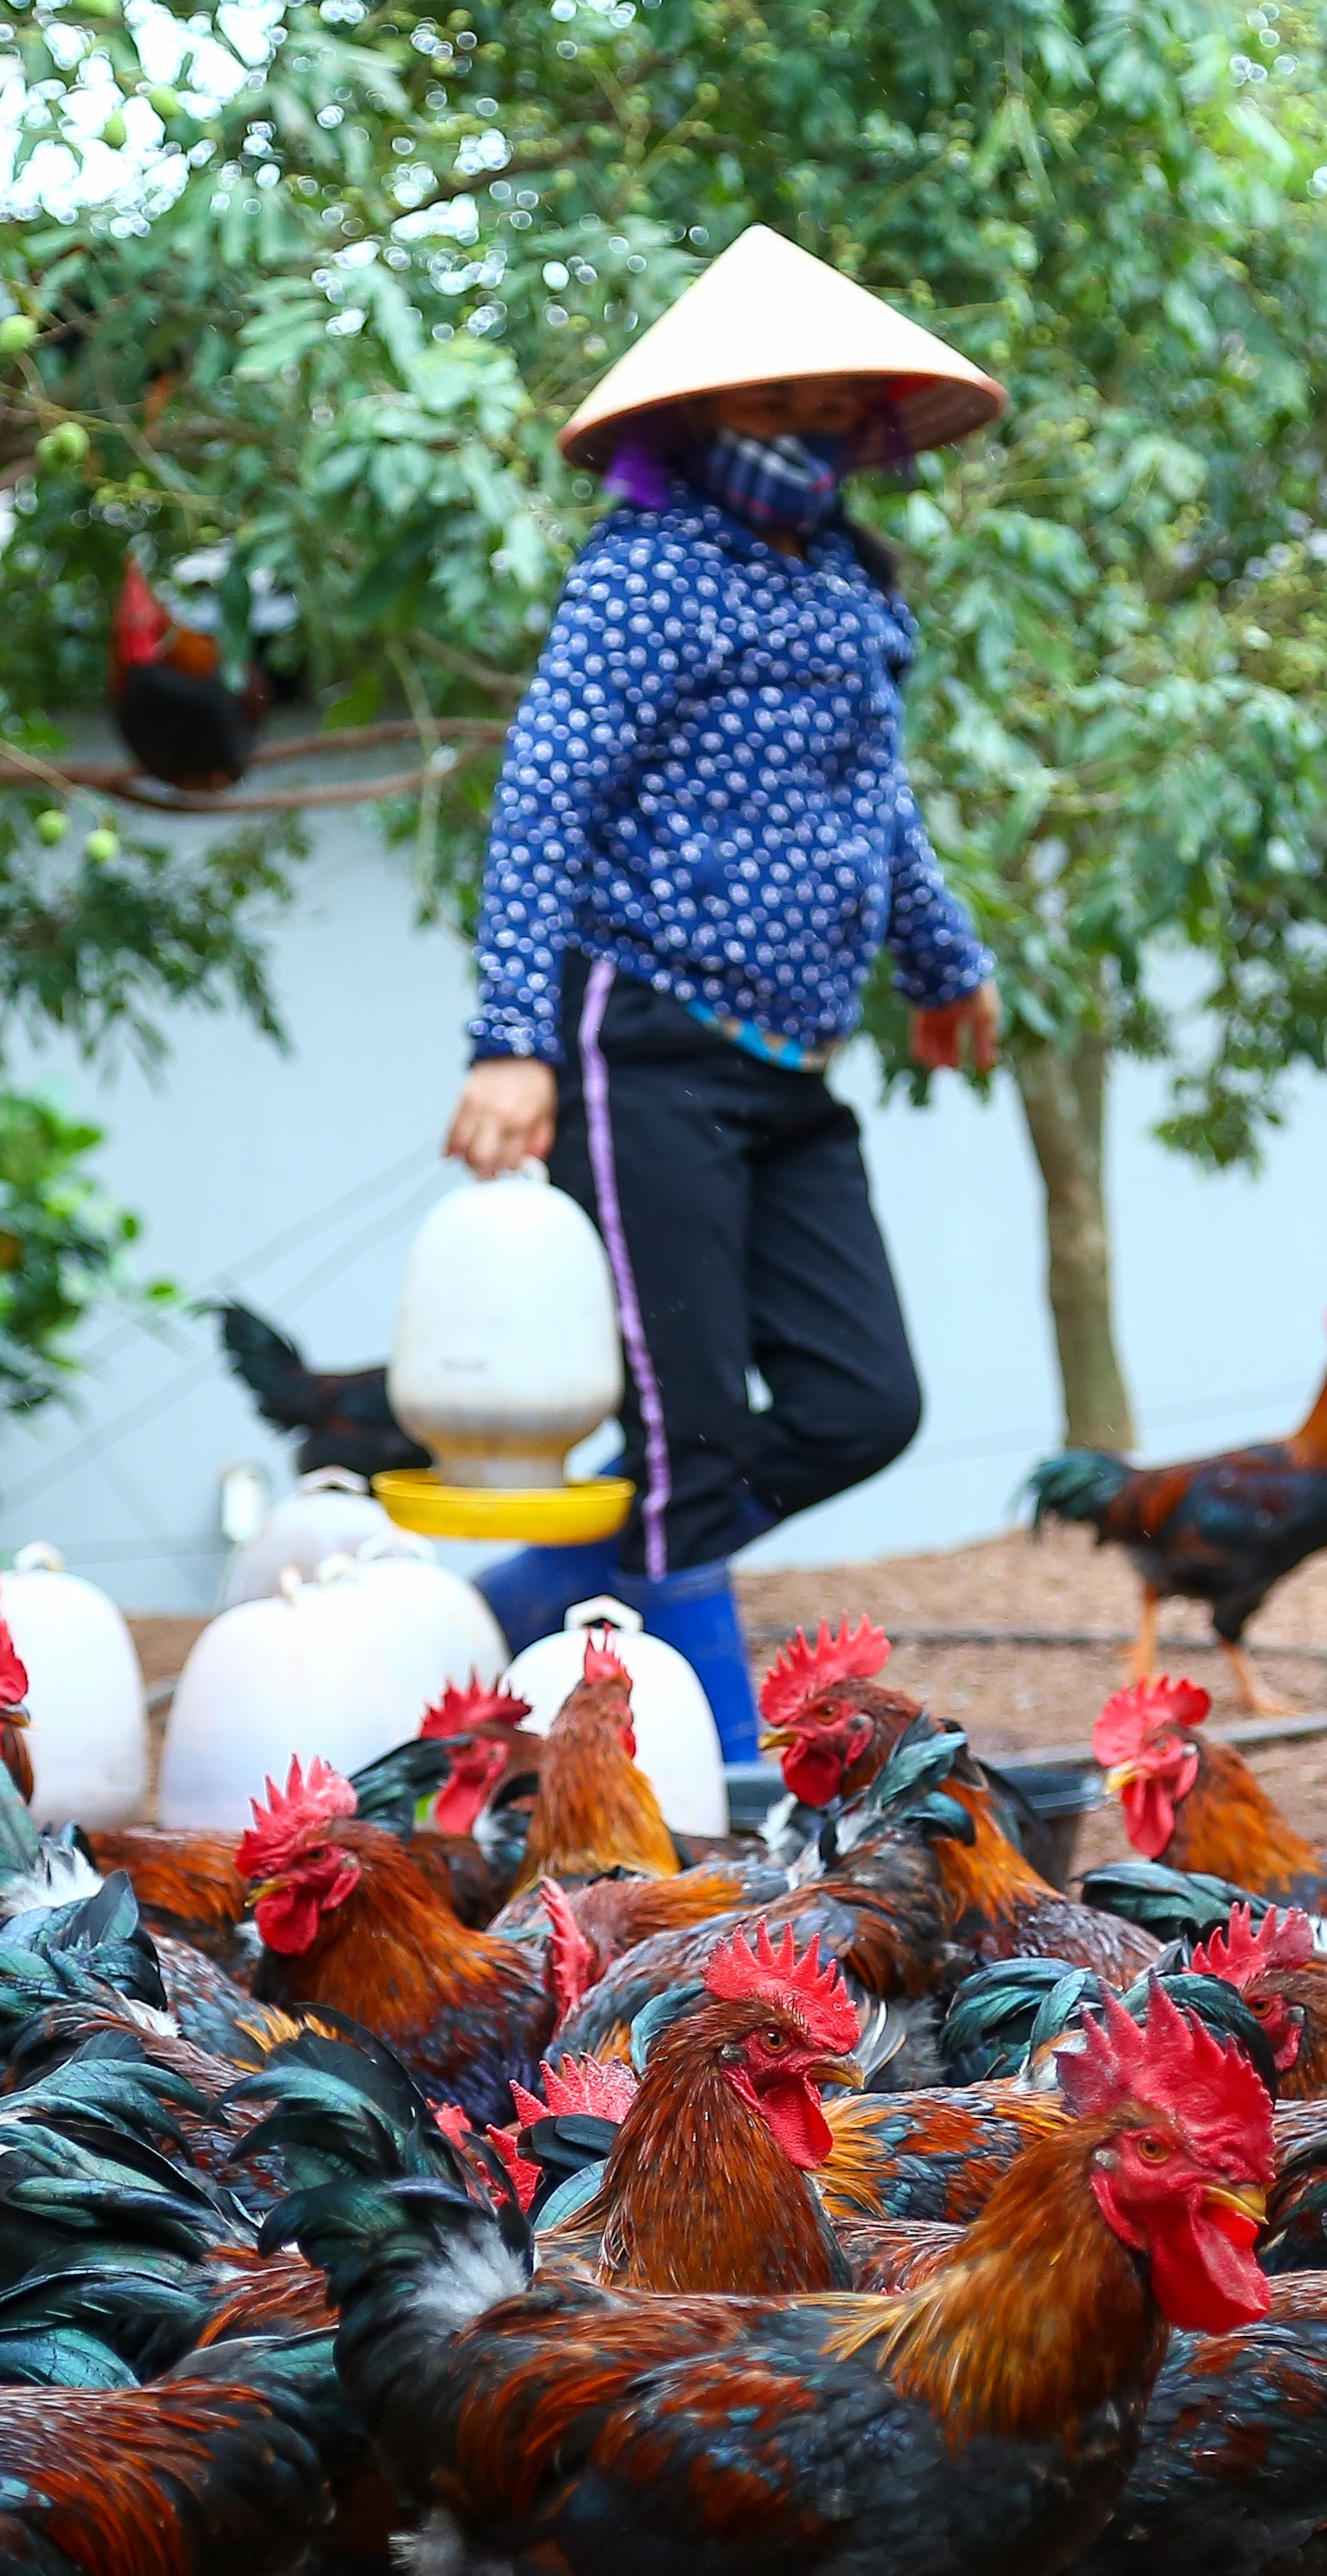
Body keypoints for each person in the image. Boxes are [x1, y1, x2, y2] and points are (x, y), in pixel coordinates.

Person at [444, 225, 1007, 1753]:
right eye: (779, 409)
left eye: (834, 413)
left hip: (789, 1063)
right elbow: (542, 794)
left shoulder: (846, 589)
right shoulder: (643, 578)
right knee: (687, 1447)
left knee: (862, 1402)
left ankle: (527, 1602)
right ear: (700, 420)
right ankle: (714, 1779)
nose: (808, 440)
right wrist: (511, 1045)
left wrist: (945, 968)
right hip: (644, 1049)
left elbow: (877, 809)